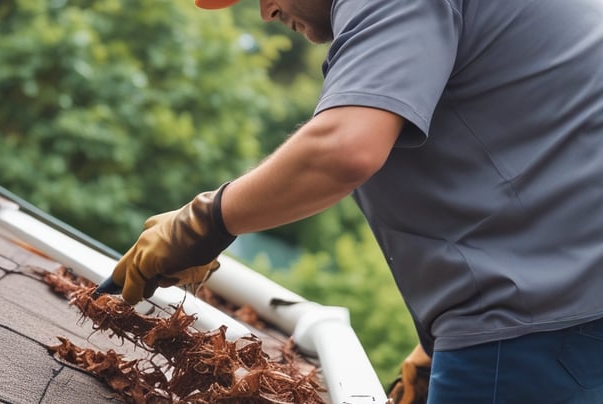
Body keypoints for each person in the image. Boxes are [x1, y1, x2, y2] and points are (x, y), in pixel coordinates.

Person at [107, 0, 603, 401]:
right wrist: (432, 346)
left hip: (537, 329)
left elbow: (343, 149)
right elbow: (530, 144)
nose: (266, 11)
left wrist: (204, 222)